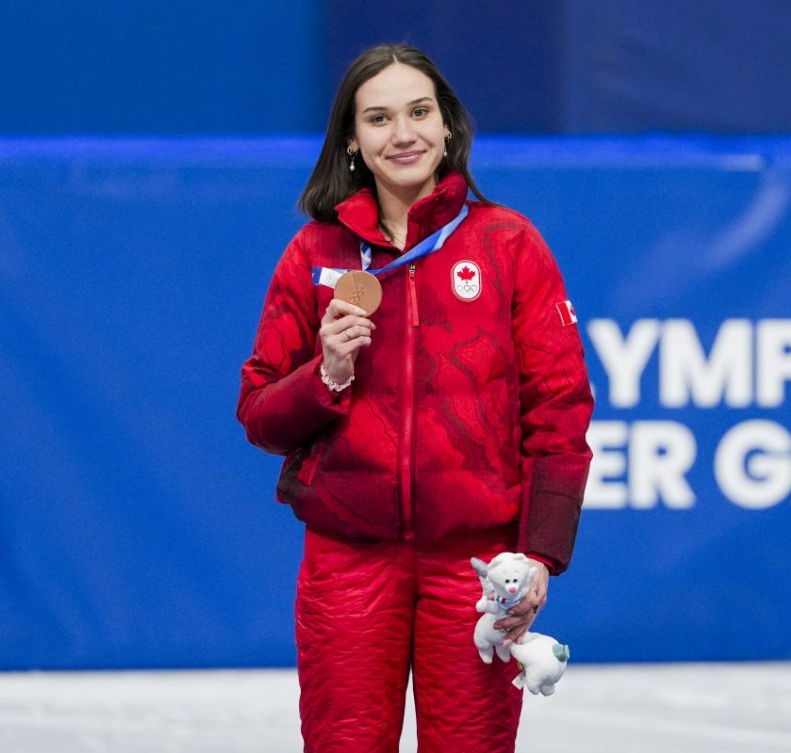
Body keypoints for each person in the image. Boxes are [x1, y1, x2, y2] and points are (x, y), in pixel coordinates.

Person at [237, 43, 593, 753]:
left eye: (419, 112)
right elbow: (259, 414)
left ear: (448, 126)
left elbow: (559, 409)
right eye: (378, 118)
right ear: (352, 141)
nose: (403, 134)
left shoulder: (508, 245)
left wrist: (539, 556)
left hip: (475, 566)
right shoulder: (315, 255)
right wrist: (328, 372)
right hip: (347, 560)